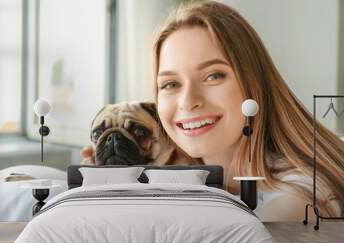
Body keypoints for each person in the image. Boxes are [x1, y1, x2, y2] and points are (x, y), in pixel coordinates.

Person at [81, 1, 344, 221]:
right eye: (171, 84)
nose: (188, 101)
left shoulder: (292, 205)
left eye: (213, 76)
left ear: (253, 81)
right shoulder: (200, 178)